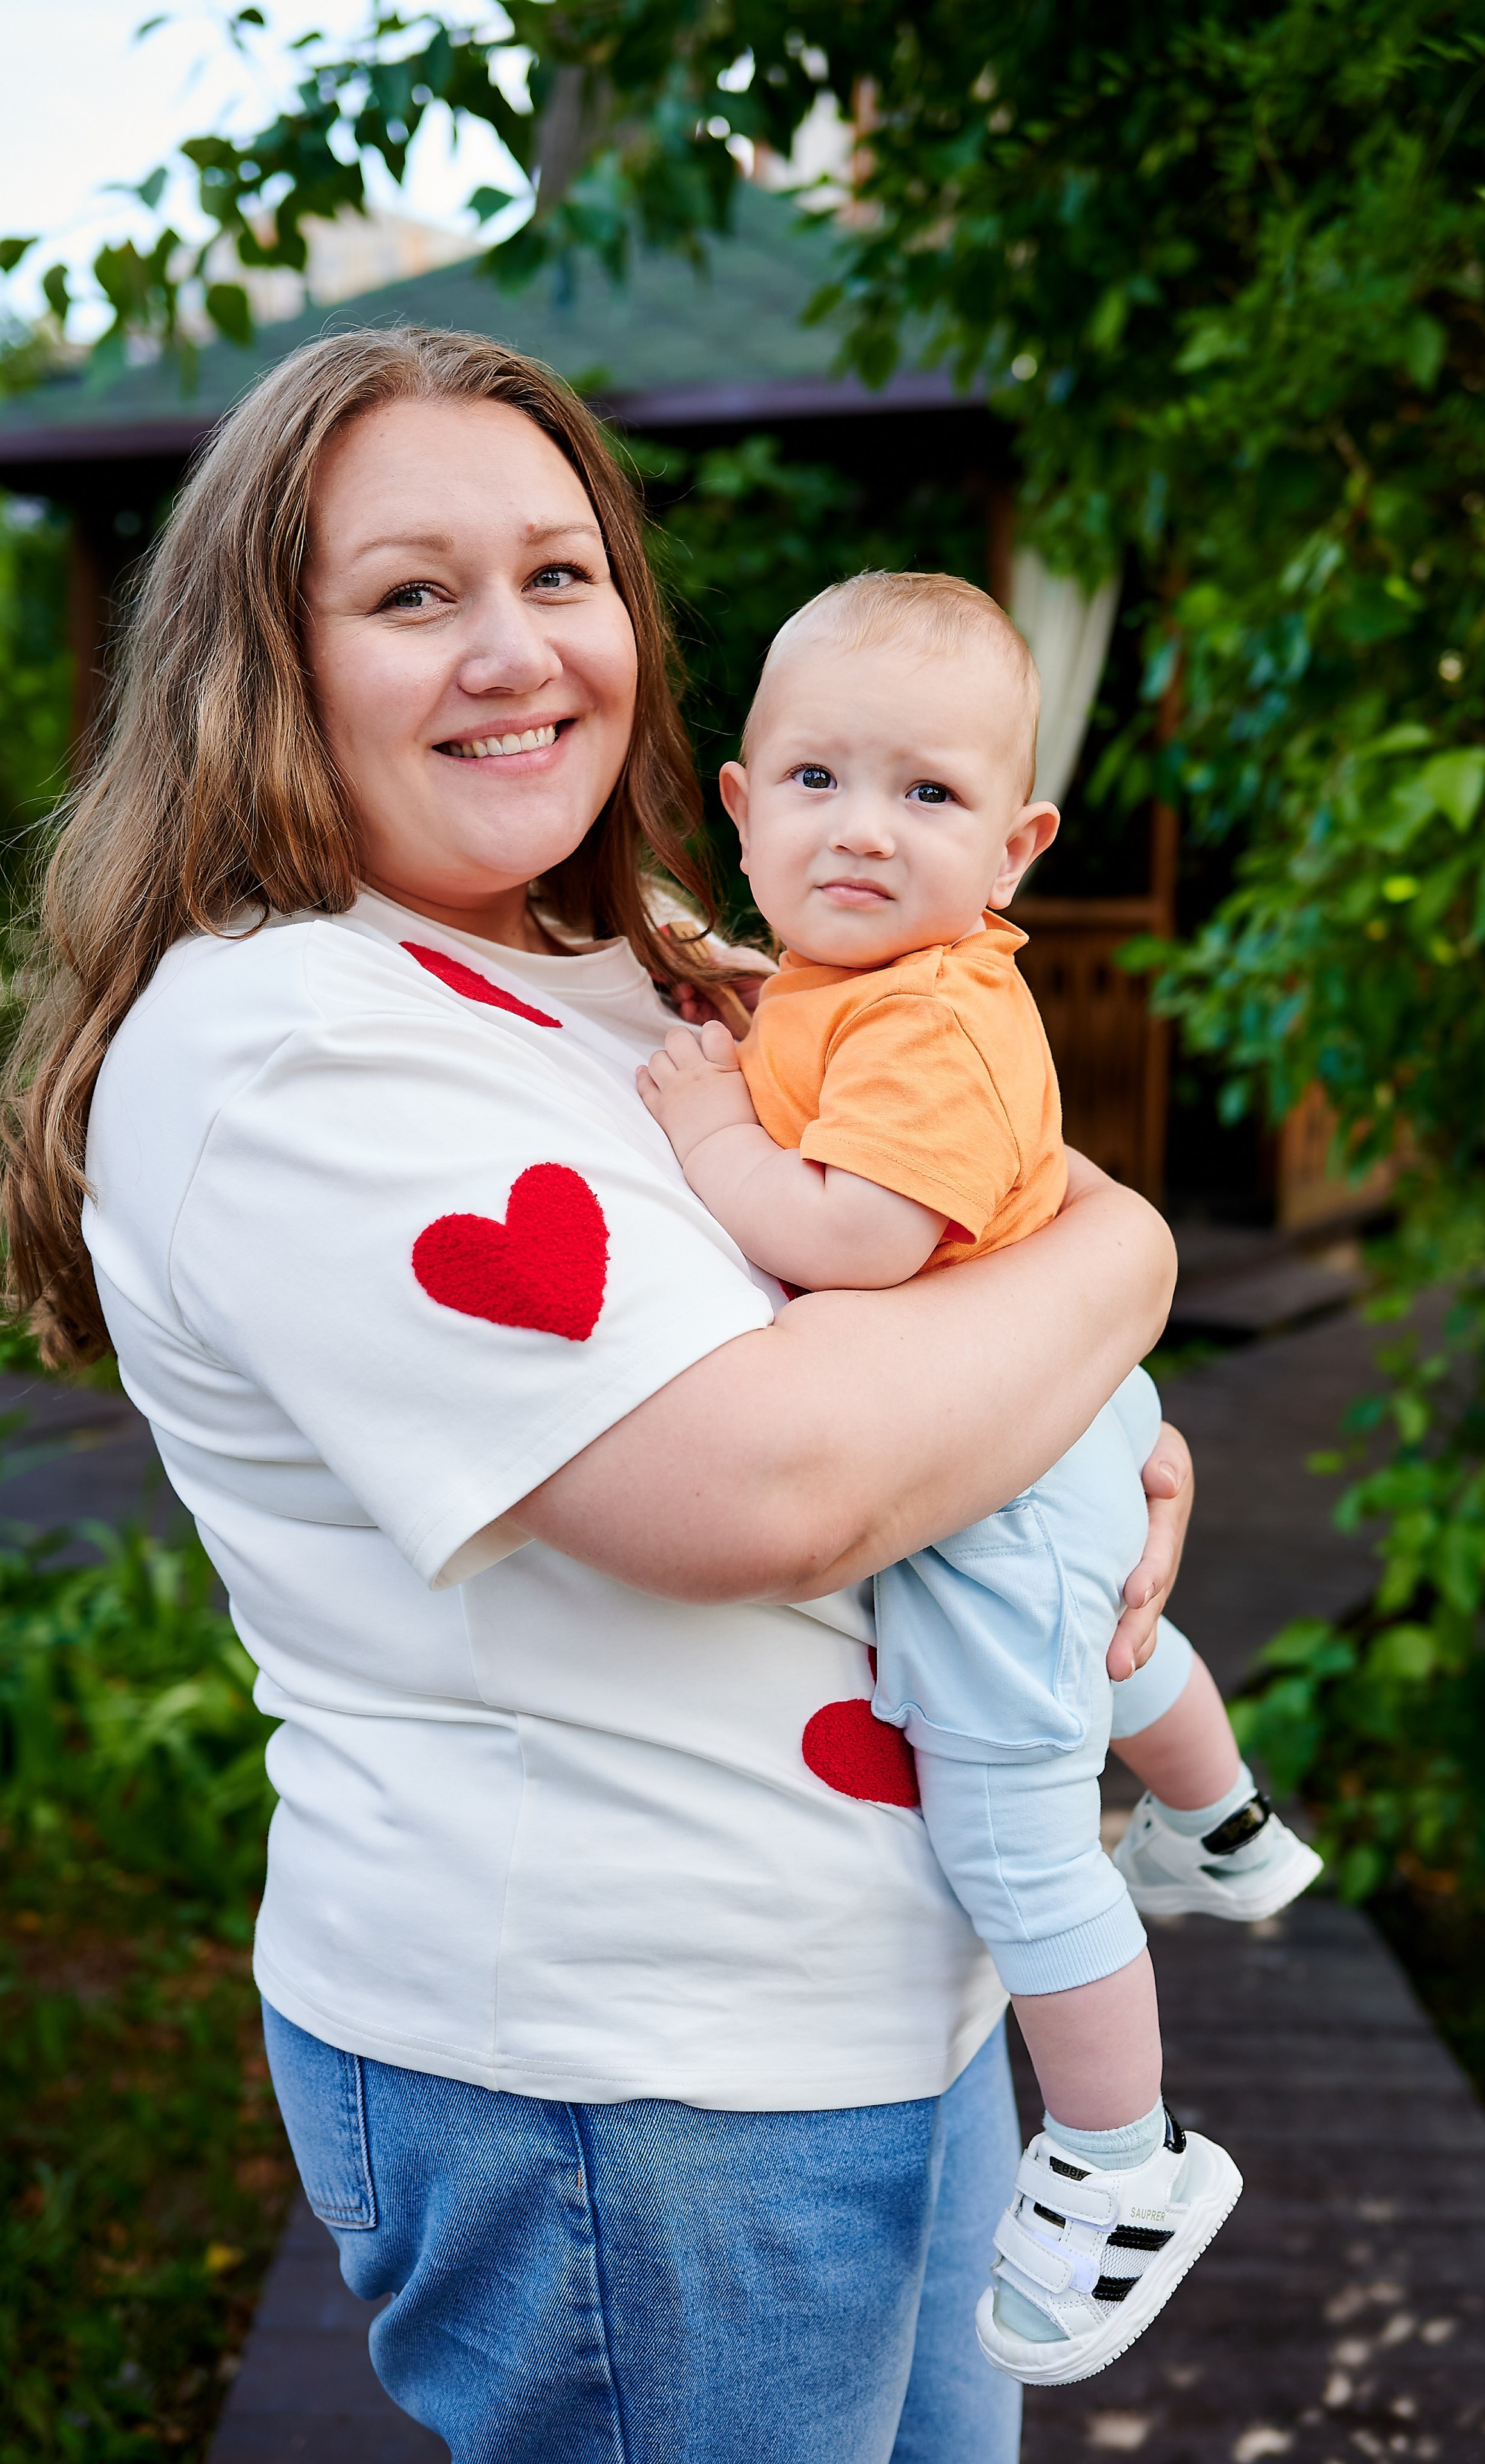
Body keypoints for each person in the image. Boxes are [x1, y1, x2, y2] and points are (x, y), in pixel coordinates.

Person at [0, 328, 1198, 2464]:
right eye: (410, 594)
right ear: (261, 665)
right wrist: (1124, 1295)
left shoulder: (650, 944)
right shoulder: (295, 1045)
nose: (516, 650)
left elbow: (995, 1169)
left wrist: (1077, 1414)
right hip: (630, 2074)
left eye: (563, 575)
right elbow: (775, 1479)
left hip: (885, 2000)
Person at [639, 571, 1323, 2388]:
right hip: (1045, 1415)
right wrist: (745, 1001)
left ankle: (1125, 2151)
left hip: (984, 1483)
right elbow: (815, 1035)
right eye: (818, 784)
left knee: (1022, 1841)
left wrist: (705, 1121)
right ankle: (1226, 1821)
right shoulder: (852, 978)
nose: (864, 831)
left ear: (1015, 843)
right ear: (741, 802)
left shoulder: (933, 1019)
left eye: (928, 797)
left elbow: (858, 1234)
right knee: (1110, 1639)